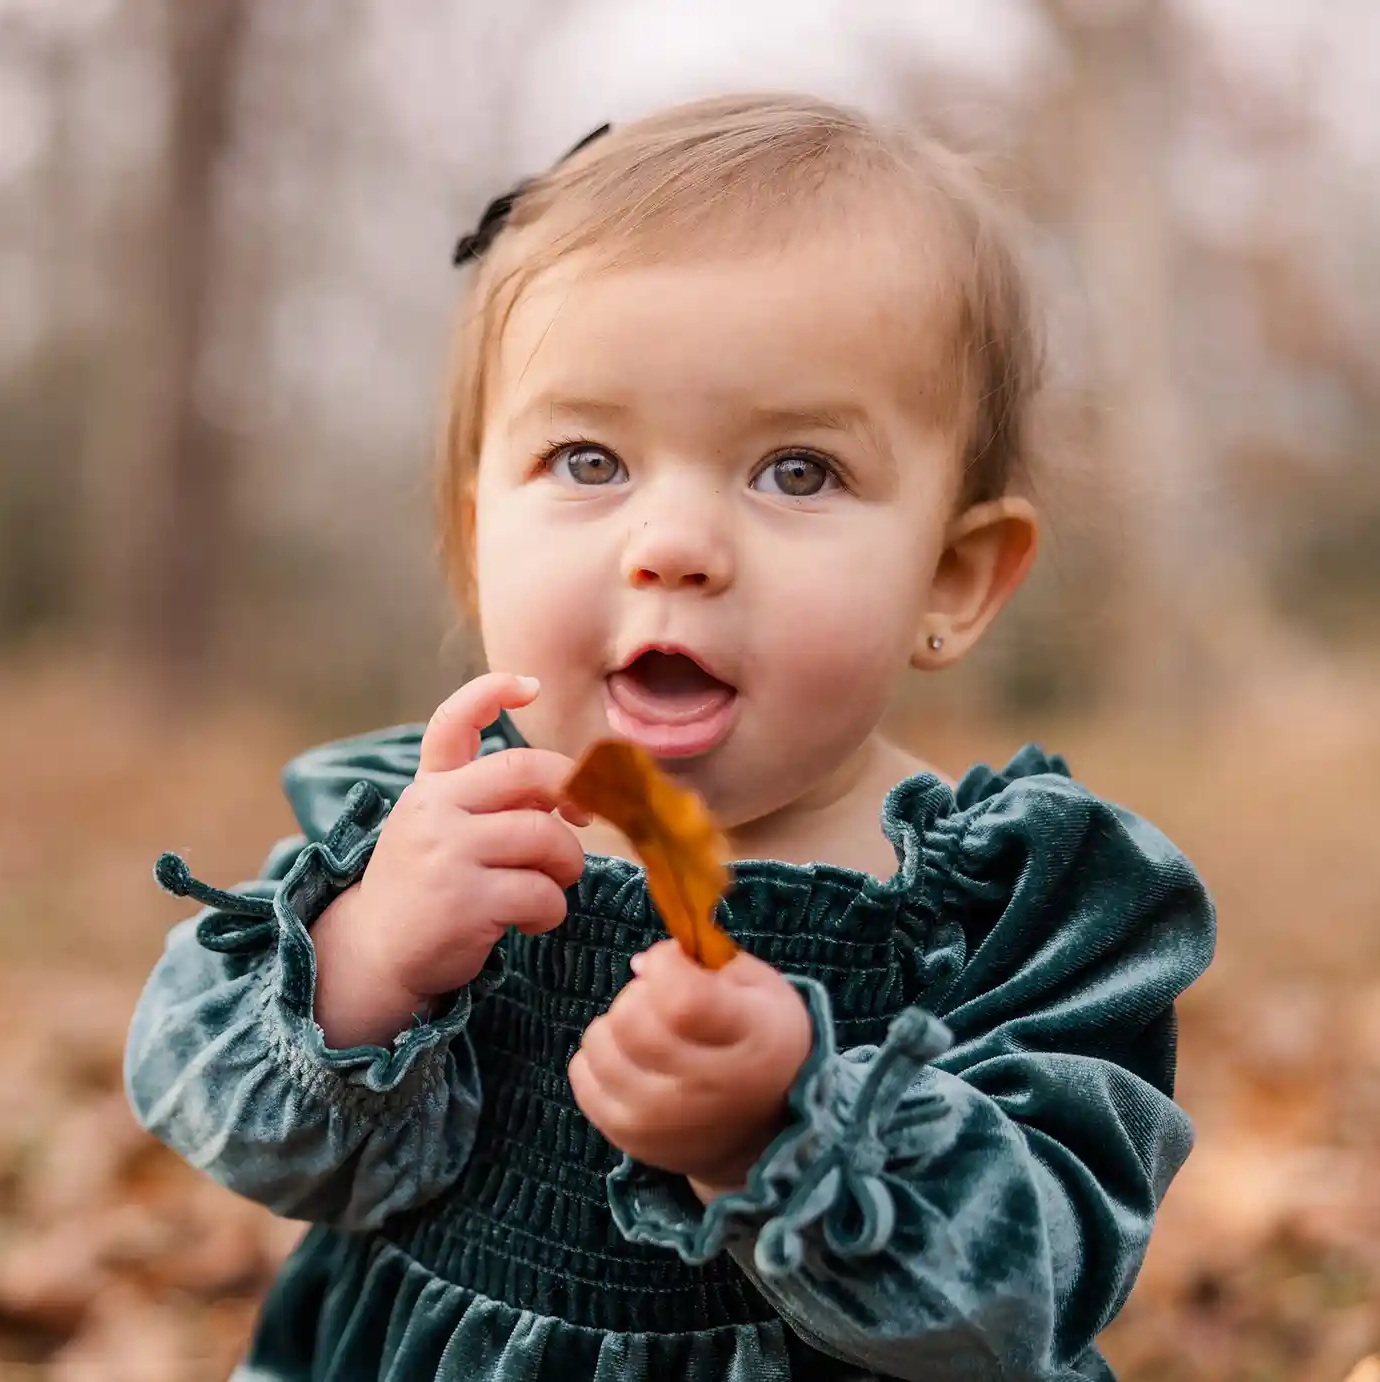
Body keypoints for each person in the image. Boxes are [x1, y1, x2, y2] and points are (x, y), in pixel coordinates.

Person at [124, 93, 1215, 1380]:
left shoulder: (1011, 902)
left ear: (953, 577)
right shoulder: (419, 826)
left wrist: (787, 1134)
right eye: (589, 460)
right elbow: (223, 1119)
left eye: (795, 470)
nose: (676, 547)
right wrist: (364, 959)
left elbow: (1030, 1285)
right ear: (477, 532)